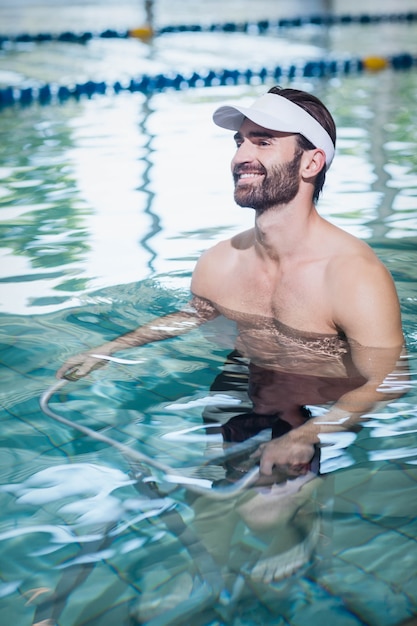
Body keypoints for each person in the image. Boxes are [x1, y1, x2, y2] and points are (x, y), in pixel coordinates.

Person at [57, 86, 406, 481]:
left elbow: (389, 379)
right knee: (210, 499)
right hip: (243, 386)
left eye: (264, 142)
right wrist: (109, 349)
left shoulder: (353, 275)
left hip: (322, 406)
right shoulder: (220, 262)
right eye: (240, 142)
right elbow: (193, 315)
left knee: (275, 514)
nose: (241, 157)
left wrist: (312, 432)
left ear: (311, 163)